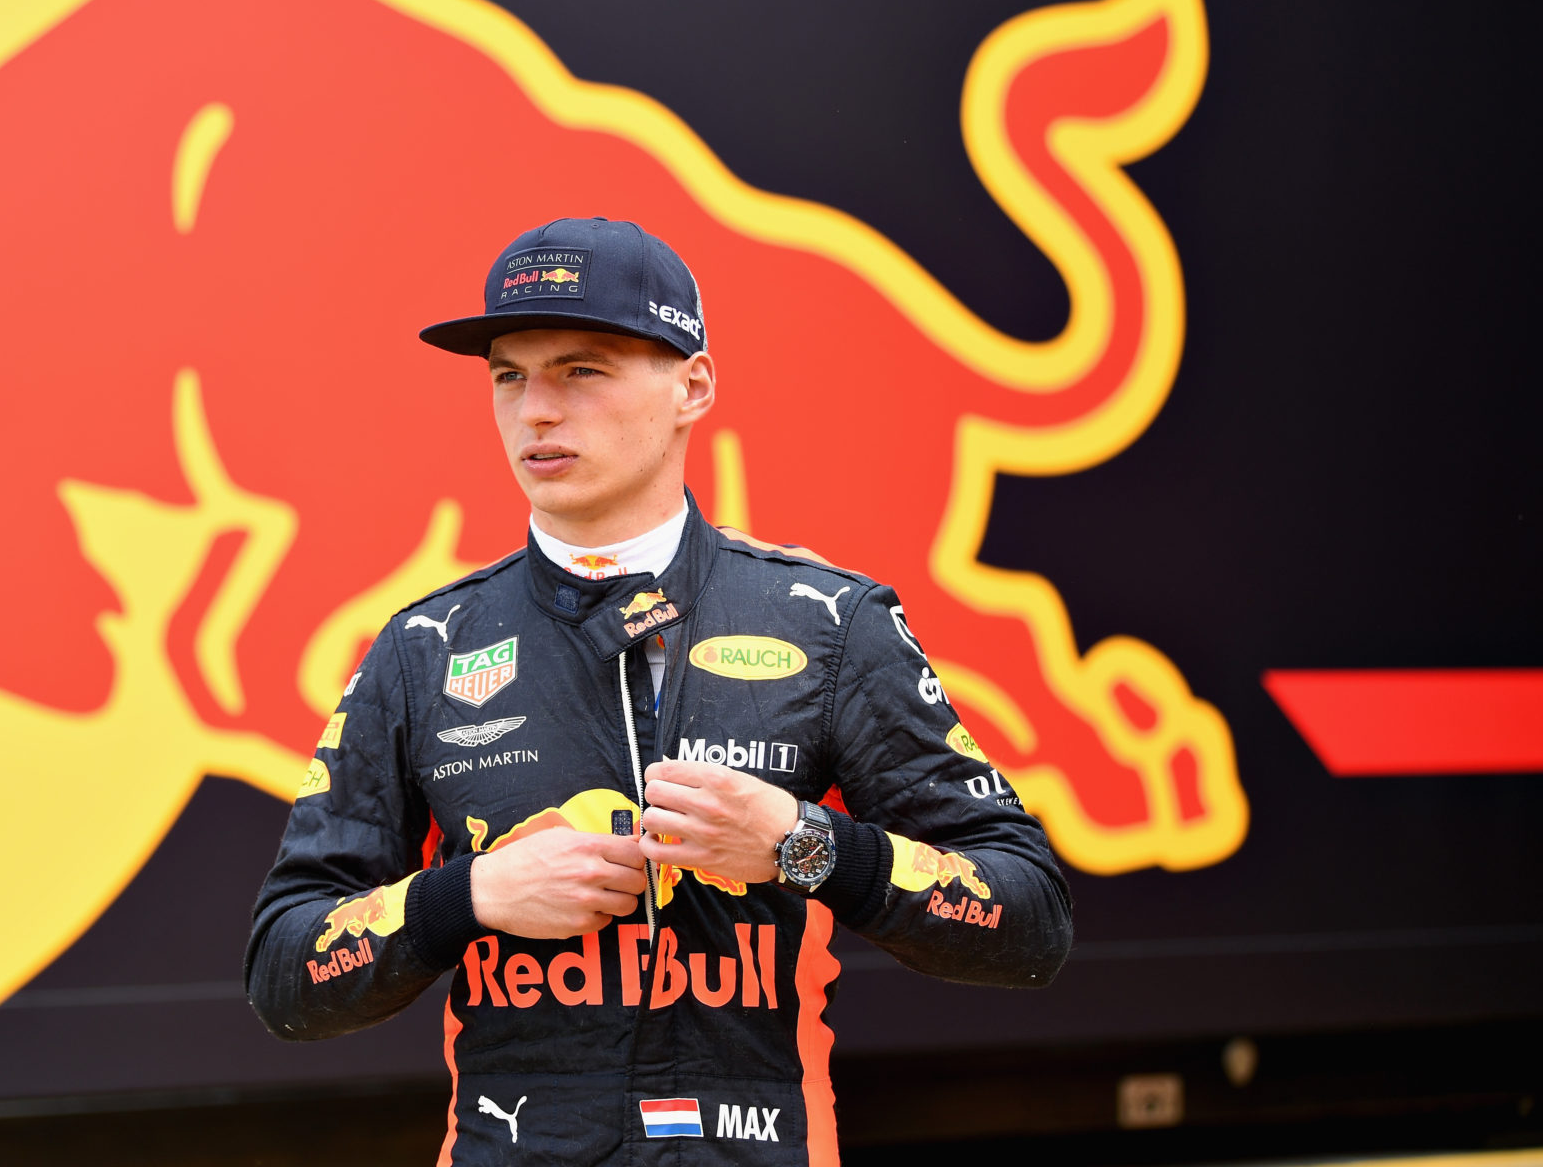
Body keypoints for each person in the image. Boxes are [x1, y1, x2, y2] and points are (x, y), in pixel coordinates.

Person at [246, 217, 1072, 1164]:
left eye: (581, 370)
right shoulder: (424, 648)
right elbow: (284, 971)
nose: (536, 412)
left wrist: (805, 849)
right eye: (509, 375)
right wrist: (468, 895)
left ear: (694, 385)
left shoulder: (829, 623)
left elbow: (1029, 920)